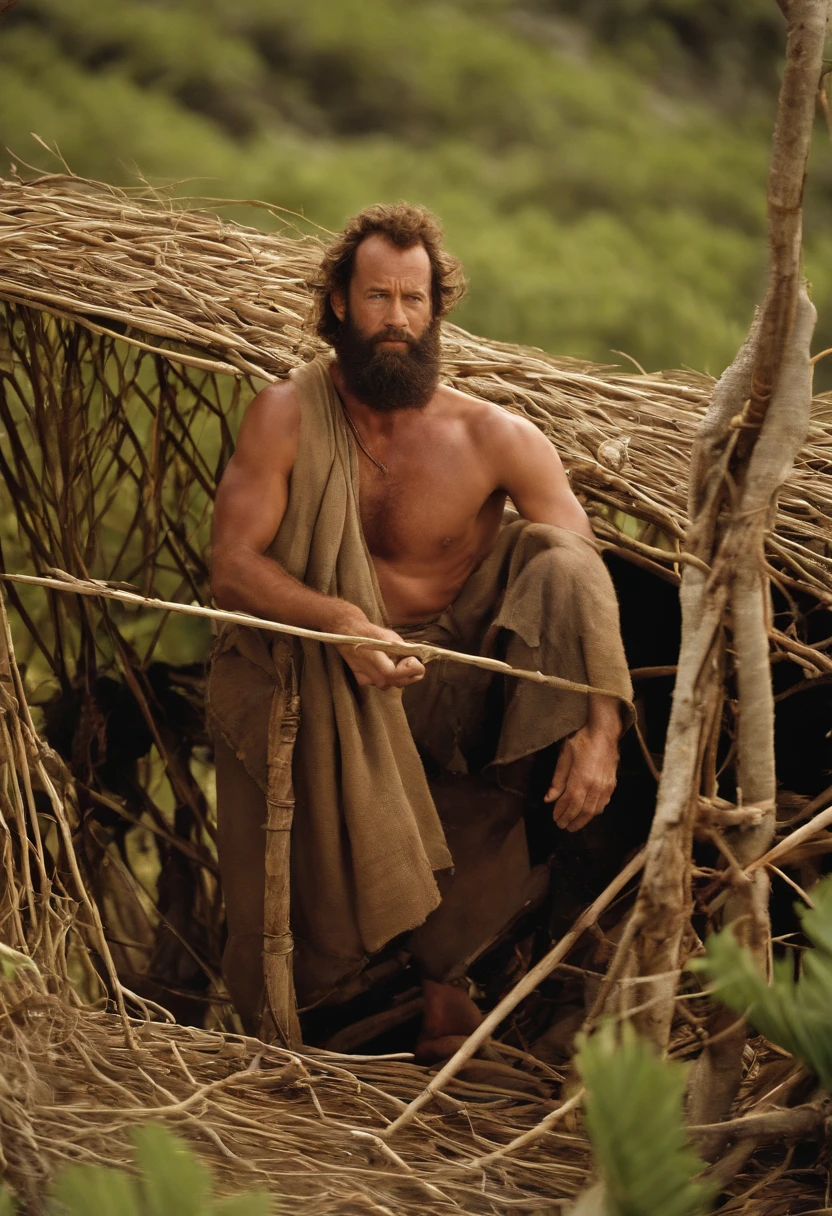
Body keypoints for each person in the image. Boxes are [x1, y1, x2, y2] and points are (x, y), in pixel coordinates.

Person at [207, 203, 632, 1057]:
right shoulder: (285, 415)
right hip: (324, 678)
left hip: (451, 686)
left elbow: (586, 581)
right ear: (337, 301)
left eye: (413, 299)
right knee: (304, 940)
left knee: (556, 555)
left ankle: (462, 971)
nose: (396, 320)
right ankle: (333, 1010)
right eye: (376, 298)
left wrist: (600, 727)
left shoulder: (495, 436)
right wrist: (341, 623)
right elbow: (232, 564)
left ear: (438, 308)